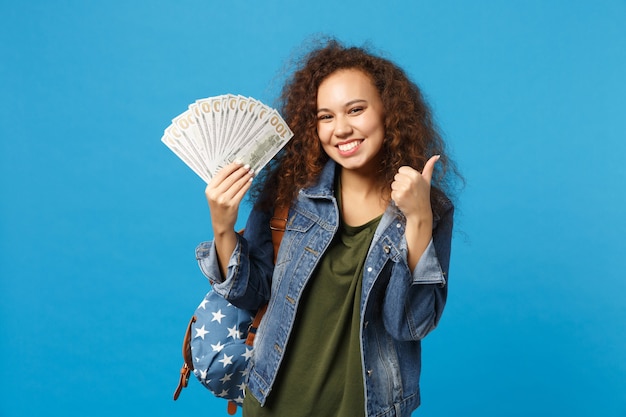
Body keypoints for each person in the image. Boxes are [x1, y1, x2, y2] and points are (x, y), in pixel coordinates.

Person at [196, 39, 460, 417]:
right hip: (273, 403)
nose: (341, 129)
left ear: (388, 111)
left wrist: (418, 220)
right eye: (325, 116)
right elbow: (251, 294)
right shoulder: (289, 191)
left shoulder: (431, 209)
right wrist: (223, 228)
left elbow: (409, 325)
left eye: (356, 109)